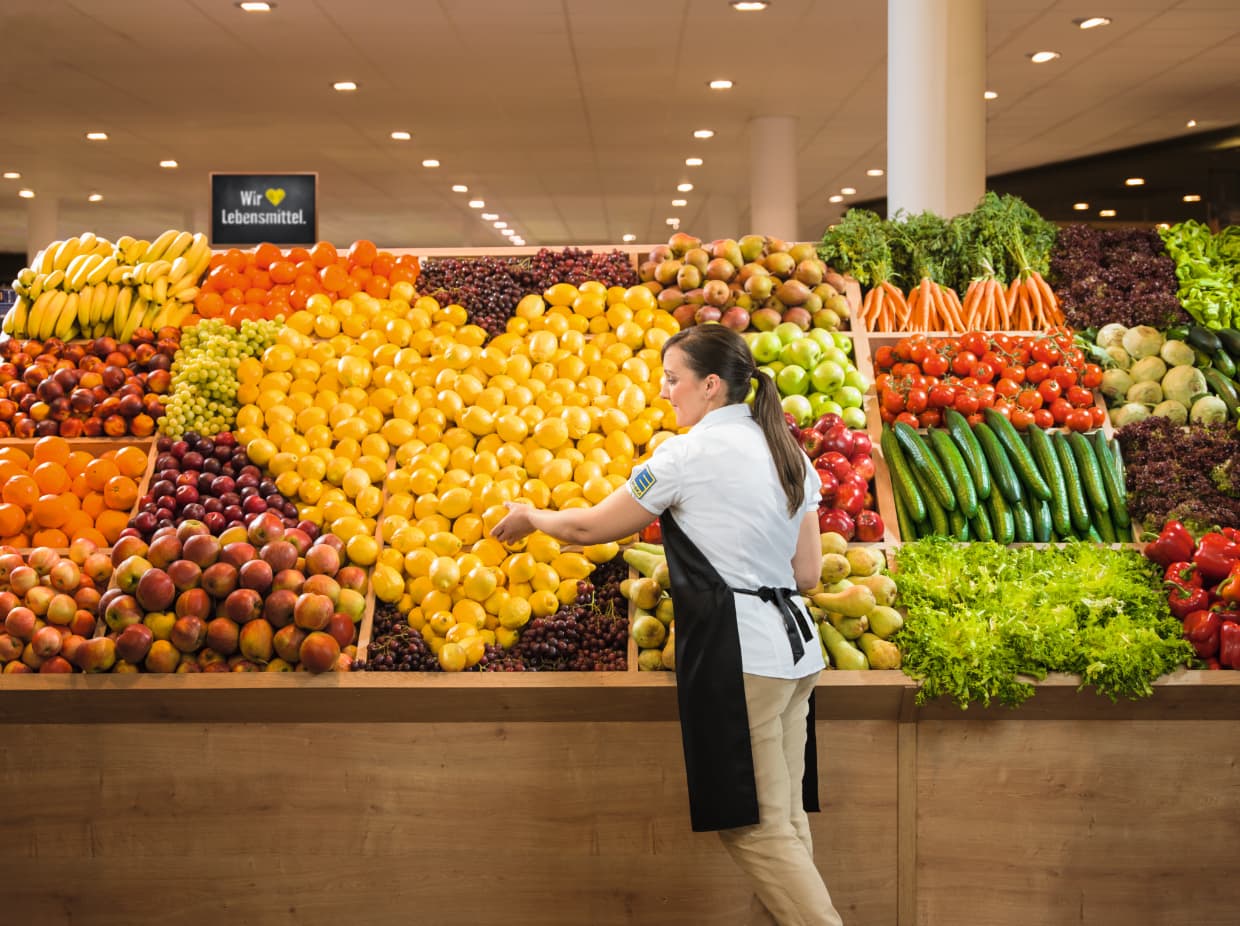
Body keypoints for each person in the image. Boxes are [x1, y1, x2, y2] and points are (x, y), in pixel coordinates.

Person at [490, 324, 844, 926]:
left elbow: (589, 529)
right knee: (783, 821)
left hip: (744, 658)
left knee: (754, 830)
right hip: (798, 653)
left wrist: (532, 515)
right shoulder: (789, 451)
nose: (664, 392)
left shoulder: (684, 456)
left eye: (673, 379)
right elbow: (808, 574)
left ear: (710, 386)